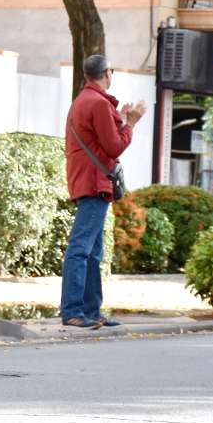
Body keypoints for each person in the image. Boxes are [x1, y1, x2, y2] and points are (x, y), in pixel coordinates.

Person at [61, 55, 145, 329]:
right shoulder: (97, 103)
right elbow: (113, 147)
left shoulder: (84, 100)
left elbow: (100, 140)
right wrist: (131, 123)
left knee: (93, 251)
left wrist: (120, 120)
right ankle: (74, 311)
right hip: (94, 183)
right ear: (107, 73)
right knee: (81, 249)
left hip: (87, 180)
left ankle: (91, 311)